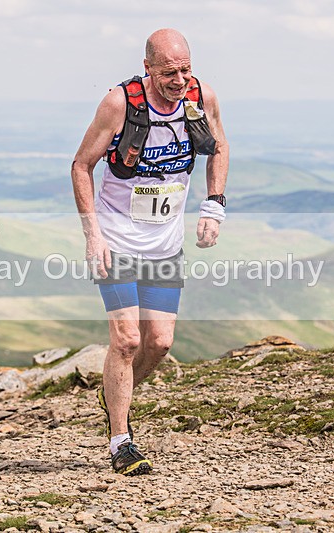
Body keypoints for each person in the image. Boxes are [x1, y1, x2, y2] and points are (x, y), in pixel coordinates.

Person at [71, 29, 229, 475]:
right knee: (126, 340)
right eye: (168, 73)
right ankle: (121, 441)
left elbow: (219, 148)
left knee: (159, 343)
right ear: (148, 69)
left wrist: (213, 205)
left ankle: (114, 393)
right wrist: (92, 234)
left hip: (164, 245)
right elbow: (81, 165)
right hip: (117, 241)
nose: (179, 80)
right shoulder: (119, 104)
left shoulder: (202, 97)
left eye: (185, 69)